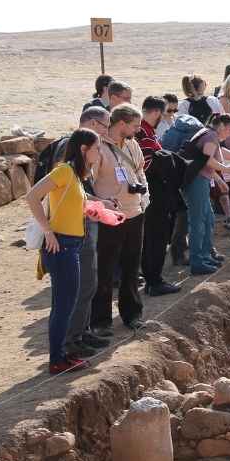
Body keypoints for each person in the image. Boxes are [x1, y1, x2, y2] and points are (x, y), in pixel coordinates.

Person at [25, 127, 104, 374]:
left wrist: (102, 205)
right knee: (63, 306)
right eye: (96, 148)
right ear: (83, 149)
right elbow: (32, 196)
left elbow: (74, 207)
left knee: (67, 304)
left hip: (72, 245)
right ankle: (57, 360)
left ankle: (62, 356)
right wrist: (47, 231)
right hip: (61, 246)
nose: (99, 153)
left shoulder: (75, 175)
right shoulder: (64, 171)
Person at [90, 104, 149, 332]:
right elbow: (88, 181)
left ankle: (132, 313)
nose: (138, 129)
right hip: (109, 218)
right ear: (122, 123)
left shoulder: (133, 145)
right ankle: (100, 321)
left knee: (132, 267)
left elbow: (140, 169)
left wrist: (144, 193)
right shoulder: (99, 149)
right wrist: (100, 204)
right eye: (135, 125)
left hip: (135, 212)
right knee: (104, 269)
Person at [180, 114, 230, 275]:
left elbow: (202, 160)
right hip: (197, 181)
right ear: (223, 126)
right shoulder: (211, 136)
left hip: (202, 179)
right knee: (198, 221)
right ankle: (197, 261)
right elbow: (207, 160)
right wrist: (226, 169)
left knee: (208, 218)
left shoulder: (207, 133)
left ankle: (205, 255)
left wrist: (218, 179)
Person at [137, 97, 181, 297]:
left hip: (153, 192)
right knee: (156, 237)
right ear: (156, 112)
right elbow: (145, 164)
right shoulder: (143, 132)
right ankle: (154, 280)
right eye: (162, 114)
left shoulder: (146, 131)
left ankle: (153, 278)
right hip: (154, 193)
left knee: (154, 237)